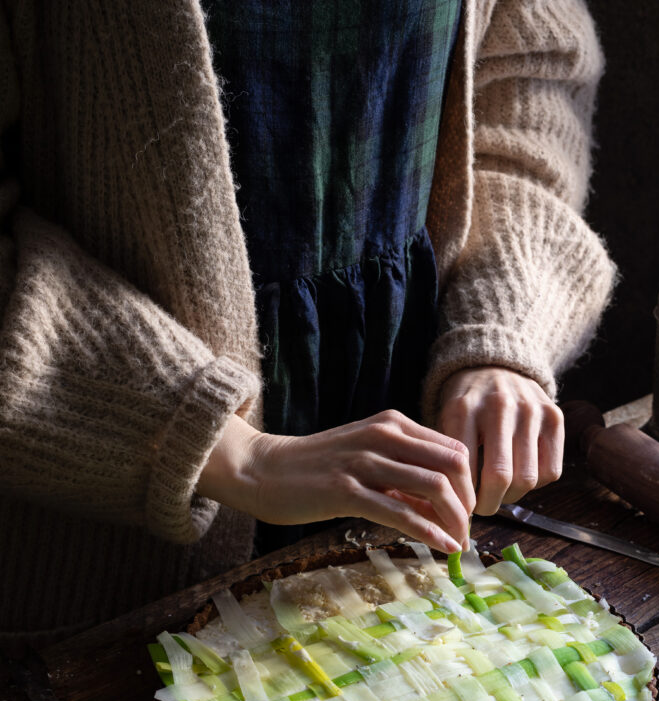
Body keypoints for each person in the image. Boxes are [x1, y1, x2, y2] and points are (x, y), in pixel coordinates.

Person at [0, 0, 614, 645]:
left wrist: (499, 333)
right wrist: (217, 447)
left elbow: (526, 91)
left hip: (410, 442)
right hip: (105, 537)